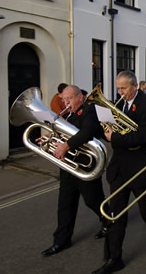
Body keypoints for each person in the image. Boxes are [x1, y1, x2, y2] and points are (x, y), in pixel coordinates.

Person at [91, 71, 146, 274]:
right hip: (119, 167)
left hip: (140, 166)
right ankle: (114, 258)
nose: (120, 92)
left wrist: (114, 137)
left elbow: (144, 136)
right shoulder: (119, 104)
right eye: (118, 88)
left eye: (123, 88)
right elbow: (112, 130)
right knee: (116, 213)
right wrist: (104, 129)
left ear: (135, 86)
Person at [42, 85, 107, 257]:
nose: (66, 102)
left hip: (85, 165)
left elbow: (87, 132)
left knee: (93, 200)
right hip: (68, 167)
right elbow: (62, 134)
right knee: (65, 205)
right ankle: (61, 241)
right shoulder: (67, 114)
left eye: (69, 99)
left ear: (80, 97)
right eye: (64, 99)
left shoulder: (89, 110)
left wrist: (66, 145)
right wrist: (49, 139)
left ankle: (109, 220)